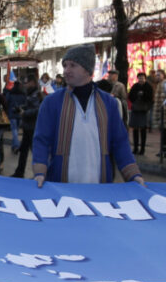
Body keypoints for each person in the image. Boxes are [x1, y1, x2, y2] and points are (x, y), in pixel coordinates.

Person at [32, 45, 142, 187]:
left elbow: (120, 143)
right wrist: (40, 173)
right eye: (65, 65)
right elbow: (41, 140)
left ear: (87, 69)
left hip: (99, 189)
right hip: (62, 188)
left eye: (72, 65)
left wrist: (134, 175)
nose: (66, 70)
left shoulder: (109, 103)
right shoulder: (52, 102)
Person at [10, 77, 42, 178]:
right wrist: (20, 108)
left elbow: (37, 110)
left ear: (32, 82)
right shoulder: (31, 93)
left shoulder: (36, 94)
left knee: (35, 152)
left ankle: (39, 174)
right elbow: (29, 106)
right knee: (23, 151)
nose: (25, 84)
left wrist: (25, 113)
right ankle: (19, 172)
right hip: (27, 126)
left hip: (32, 127)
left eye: (26, 82)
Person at [127, 71, 153, 155]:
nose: (141, 80)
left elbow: (150, 98)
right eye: (139, 78)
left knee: (143, 130)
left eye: (142, 78)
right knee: (135, 129)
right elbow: (130, 96)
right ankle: (135, 148)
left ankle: (142, 149)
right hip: (135, 109)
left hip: (143, 110)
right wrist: (136, 95)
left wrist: (143, 95)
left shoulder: (148, 87)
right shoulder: (135, 86)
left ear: (145, 78)